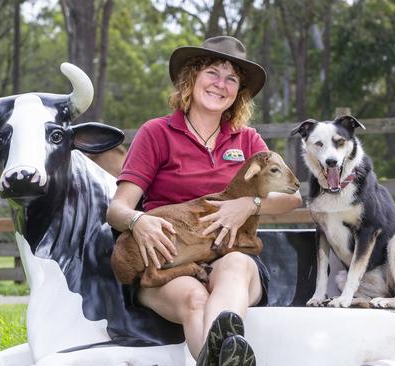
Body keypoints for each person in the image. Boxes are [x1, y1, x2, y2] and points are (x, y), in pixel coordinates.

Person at [106, 36, 302, 366]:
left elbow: (293, 198)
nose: (220, 84)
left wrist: (249, 205)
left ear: (238, 91)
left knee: (238, 265)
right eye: (212, 72)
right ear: (192, 78)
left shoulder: (247, 139)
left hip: (229, 254)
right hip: (169, 262)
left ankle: (220, 353)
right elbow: (117, 209)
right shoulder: (157, 133)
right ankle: (227, 358)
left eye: (231, 78)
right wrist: (138, 221)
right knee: (195, 298)